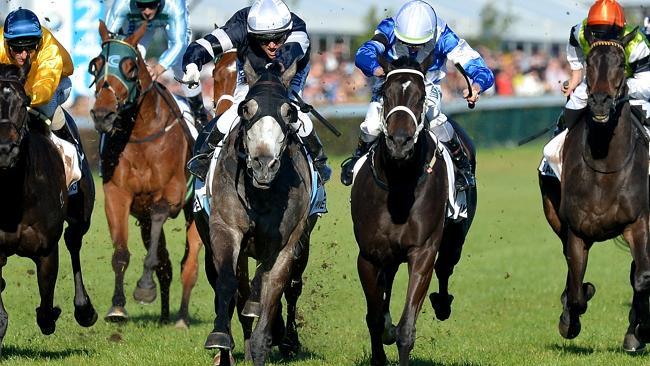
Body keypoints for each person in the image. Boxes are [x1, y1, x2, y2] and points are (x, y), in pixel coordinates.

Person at [340, 0, 494, 190]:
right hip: (392, 85)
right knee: (372, 124)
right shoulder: (389, 26)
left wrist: (476, 87)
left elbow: (479, 68)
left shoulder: (444, 35)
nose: (413, 49)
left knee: (435, 119)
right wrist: (377, 69)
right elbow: (364, 53)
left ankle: (463, 166)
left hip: (426, 86)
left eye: (419, 45)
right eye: (406, 43)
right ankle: (357, 157)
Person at [181, 0, 331, 183]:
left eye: (278, 38)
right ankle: (204, 159)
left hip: (290, 71)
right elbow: (203, 45)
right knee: (235, 112)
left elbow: (287, 56)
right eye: (264, 40)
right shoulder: (240, 27)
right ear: (252, 33)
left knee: (294, 114)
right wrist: (192, 64)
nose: (272, 45)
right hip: (252, 68)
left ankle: (319, 164)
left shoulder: (297, 28)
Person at [106, 0, 210, 128]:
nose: (147, 11)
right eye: (142, 6)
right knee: (127, 61)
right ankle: (123, 109)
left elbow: (179, 43)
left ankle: (199, 115)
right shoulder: (122, 4)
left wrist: (159, 67)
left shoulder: (174, 4)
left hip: (169, 21)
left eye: (152, 5)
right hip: (138, 23)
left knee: (183, 66)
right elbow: (109, 38)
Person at [558, 0, 650, 132]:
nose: (602, 37)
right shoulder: (580, 31)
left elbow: (646, 86)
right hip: (594, 83)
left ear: (621, 28)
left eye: (608, 32)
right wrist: (576, 76)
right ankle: (558, 141)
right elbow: (574, 42)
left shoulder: (637, 44)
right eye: (597, 31)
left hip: (628, 85)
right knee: (573, 104)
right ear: (589, 26)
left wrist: (621, 88)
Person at [0, 8, 80, 150]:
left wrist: (26, 97)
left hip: (56, 84)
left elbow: (46, 83)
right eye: (18, 49)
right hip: (17, 87)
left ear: (38, 42)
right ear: (7, 43)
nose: (24, 55)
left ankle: (74, 152)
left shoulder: (48, 47)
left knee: (46, 108)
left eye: (30, 48)